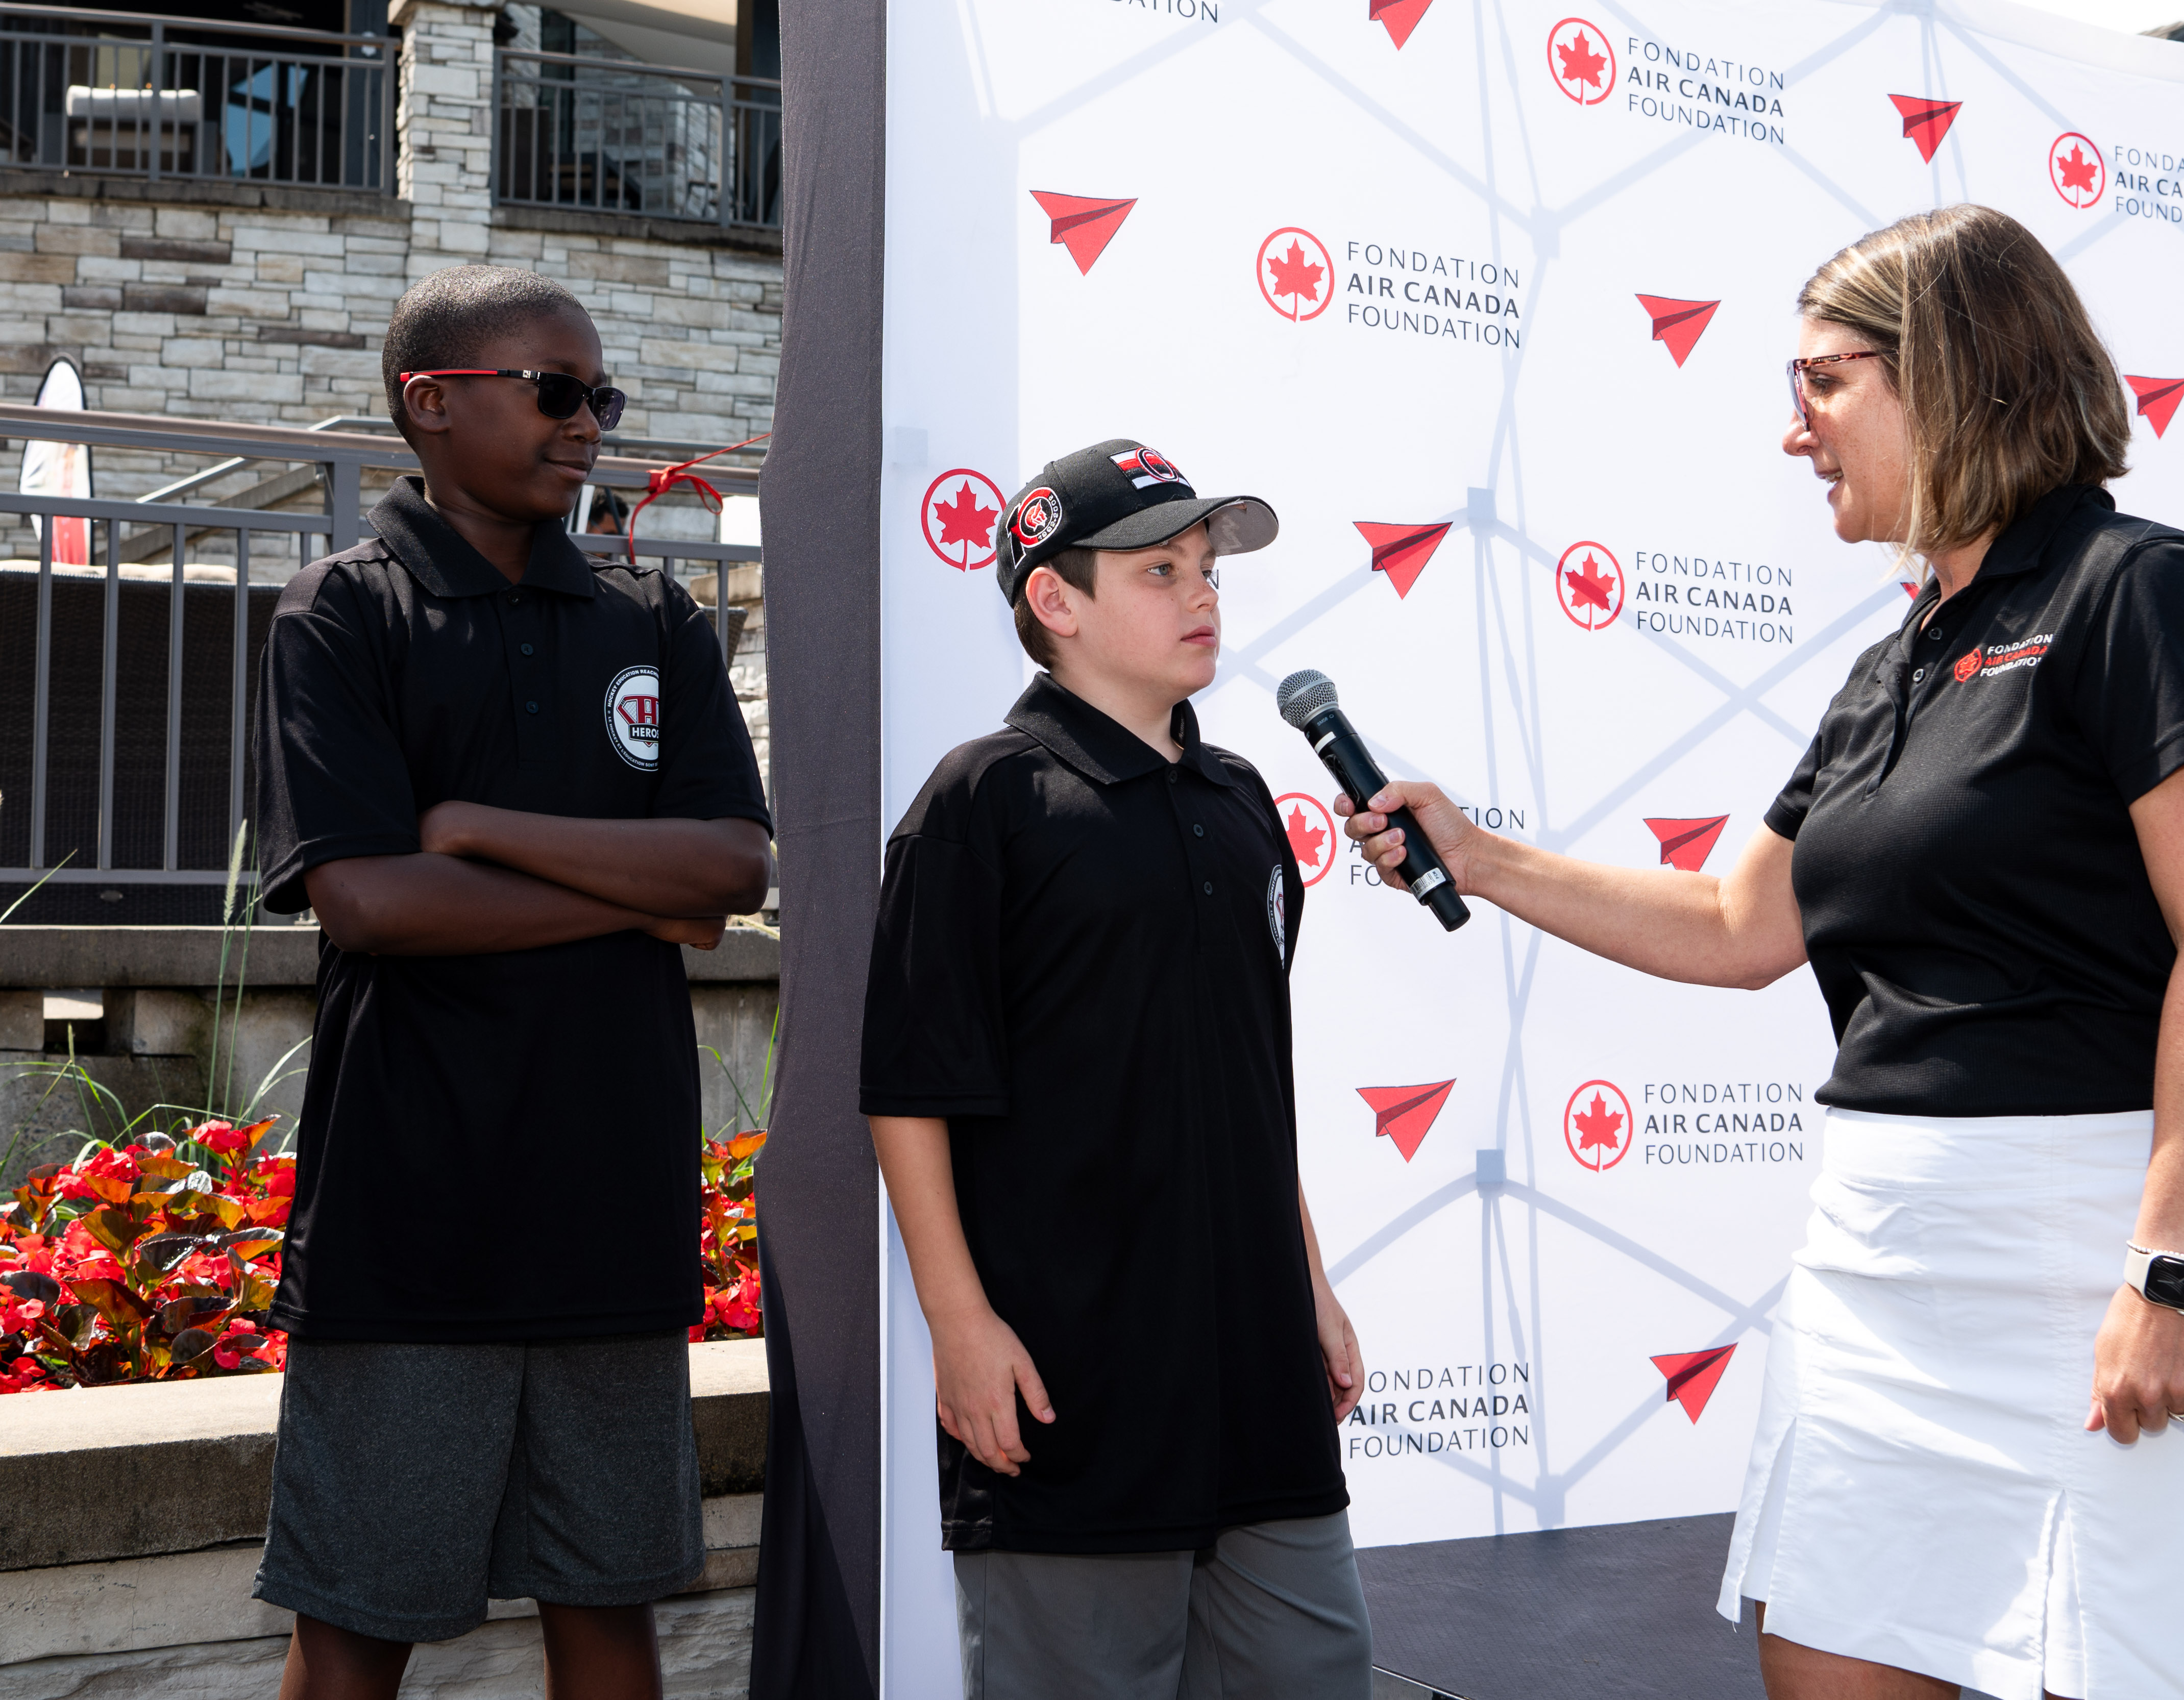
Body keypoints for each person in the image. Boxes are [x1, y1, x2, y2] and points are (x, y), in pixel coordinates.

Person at [1341, 206, 2184, 1700]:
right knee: (1829, 1664)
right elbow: (1739, 926)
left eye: (1821, 381)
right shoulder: (1891, 660)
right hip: (1875, 1269)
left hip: (2090, 1255)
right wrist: (1478, 855)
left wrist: (2169, 1272)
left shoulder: (2139, 588)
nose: (1792, 430)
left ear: (1954, 367)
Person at [250, 265, 773, 1700]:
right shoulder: (340, 614)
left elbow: (732, 864)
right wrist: (639, 896)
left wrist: (474, 828)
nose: (587, 423)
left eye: (602, 395)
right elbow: (370, 903)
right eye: (554, 390)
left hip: (613, 1216)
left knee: (610, 1612)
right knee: (355, 1628)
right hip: (408, 1225)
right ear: (431, 402)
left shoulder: (651, 612)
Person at [862, 438, 1376, 1699]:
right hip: (1072, 1385)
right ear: (1056, 598)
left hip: (1261, 1383)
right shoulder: (982, 800)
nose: (1203, 595)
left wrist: (1308, 1283)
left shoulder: (1243, 801)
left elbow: (1246, 1076)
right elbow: (911, 1091)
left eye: (1208, 570)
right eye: (1160, 571)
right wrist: (960, 1325)